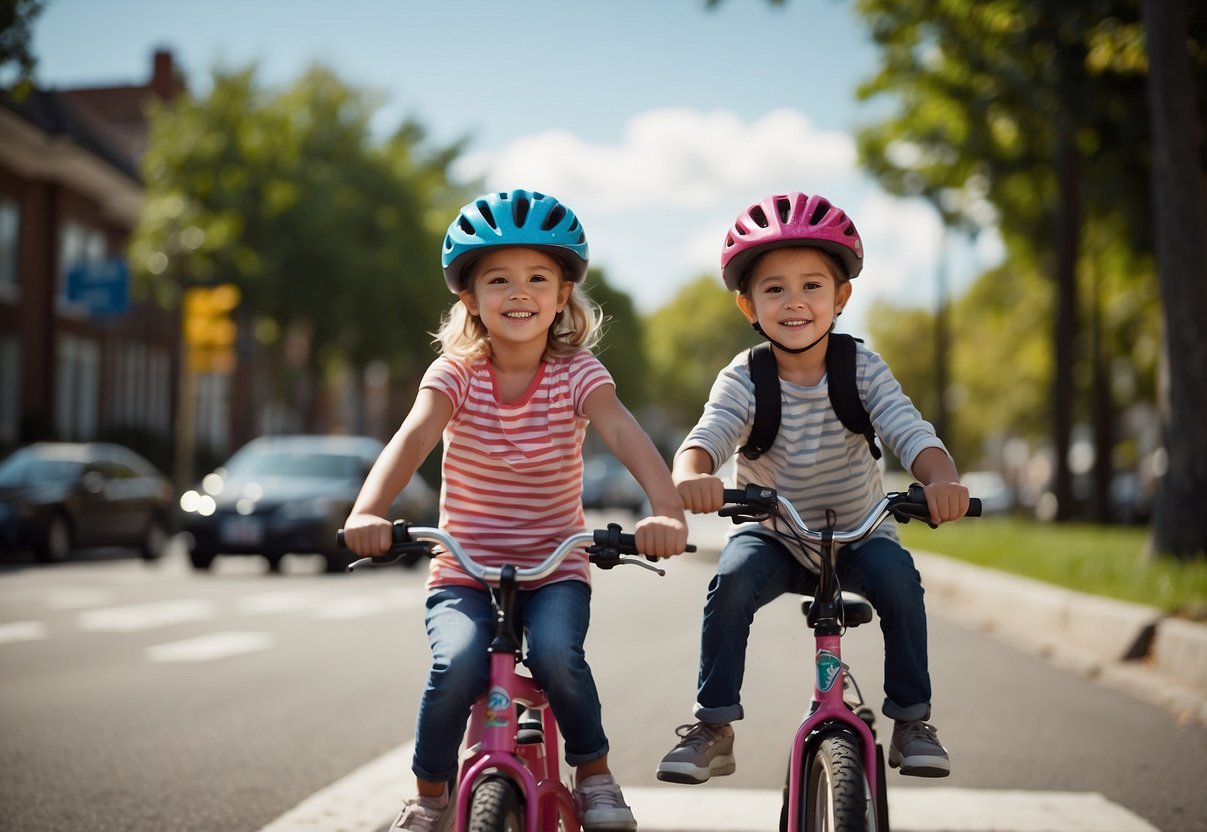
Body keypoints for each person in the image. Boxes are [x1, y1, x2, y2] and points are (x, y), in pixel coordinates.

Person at [343, 188, 688, 832]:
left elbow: (622, 432)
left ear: (563, 296)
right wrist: (369, 509)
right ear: (470, 299)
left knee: (559, 655)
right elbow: (414, 436)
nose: (519, 291)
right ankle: (430, 793)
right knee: (457, 663)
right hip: (464, 570)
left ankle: (595, 778)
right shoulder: (456, 373)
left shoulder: (577, 372)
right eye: (497, 280)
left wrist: (665, 508)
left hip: (555, 566)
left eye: (538, 277)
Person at [655, 191, 970, 785]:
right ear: (748, 304)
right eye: (773, 289)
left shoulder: (862, 370)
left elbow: (910, 431)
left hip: (859, 533)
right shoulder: (745, 377)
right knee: (731, 578)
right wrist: (692, 476)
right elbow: (710, 435)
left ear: (841, 297)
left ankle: (911, 719)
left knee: (901, 581)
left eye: (811, 286)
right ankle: (714, 726)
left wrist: (942, 480)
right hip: (775, 536)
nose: (793, 302)